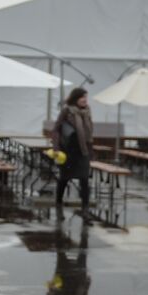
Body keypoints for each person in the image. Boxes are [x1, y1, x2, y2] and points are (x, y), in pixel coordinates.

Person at [51, 87, 94, 215]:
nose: (85, 100)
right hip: (69, 150)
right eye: (82, 97)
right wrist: (56, 149)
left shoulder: (87, 111)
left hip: (83, 151)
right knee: (64, 178)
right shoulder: (67, 111)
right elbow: (56, 129)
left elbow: (89, 132)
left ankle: (85, 208)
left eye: (86, 97)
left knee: (84, 180)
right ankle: (58, 203)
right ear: (75, 99)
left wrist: (91, 149)